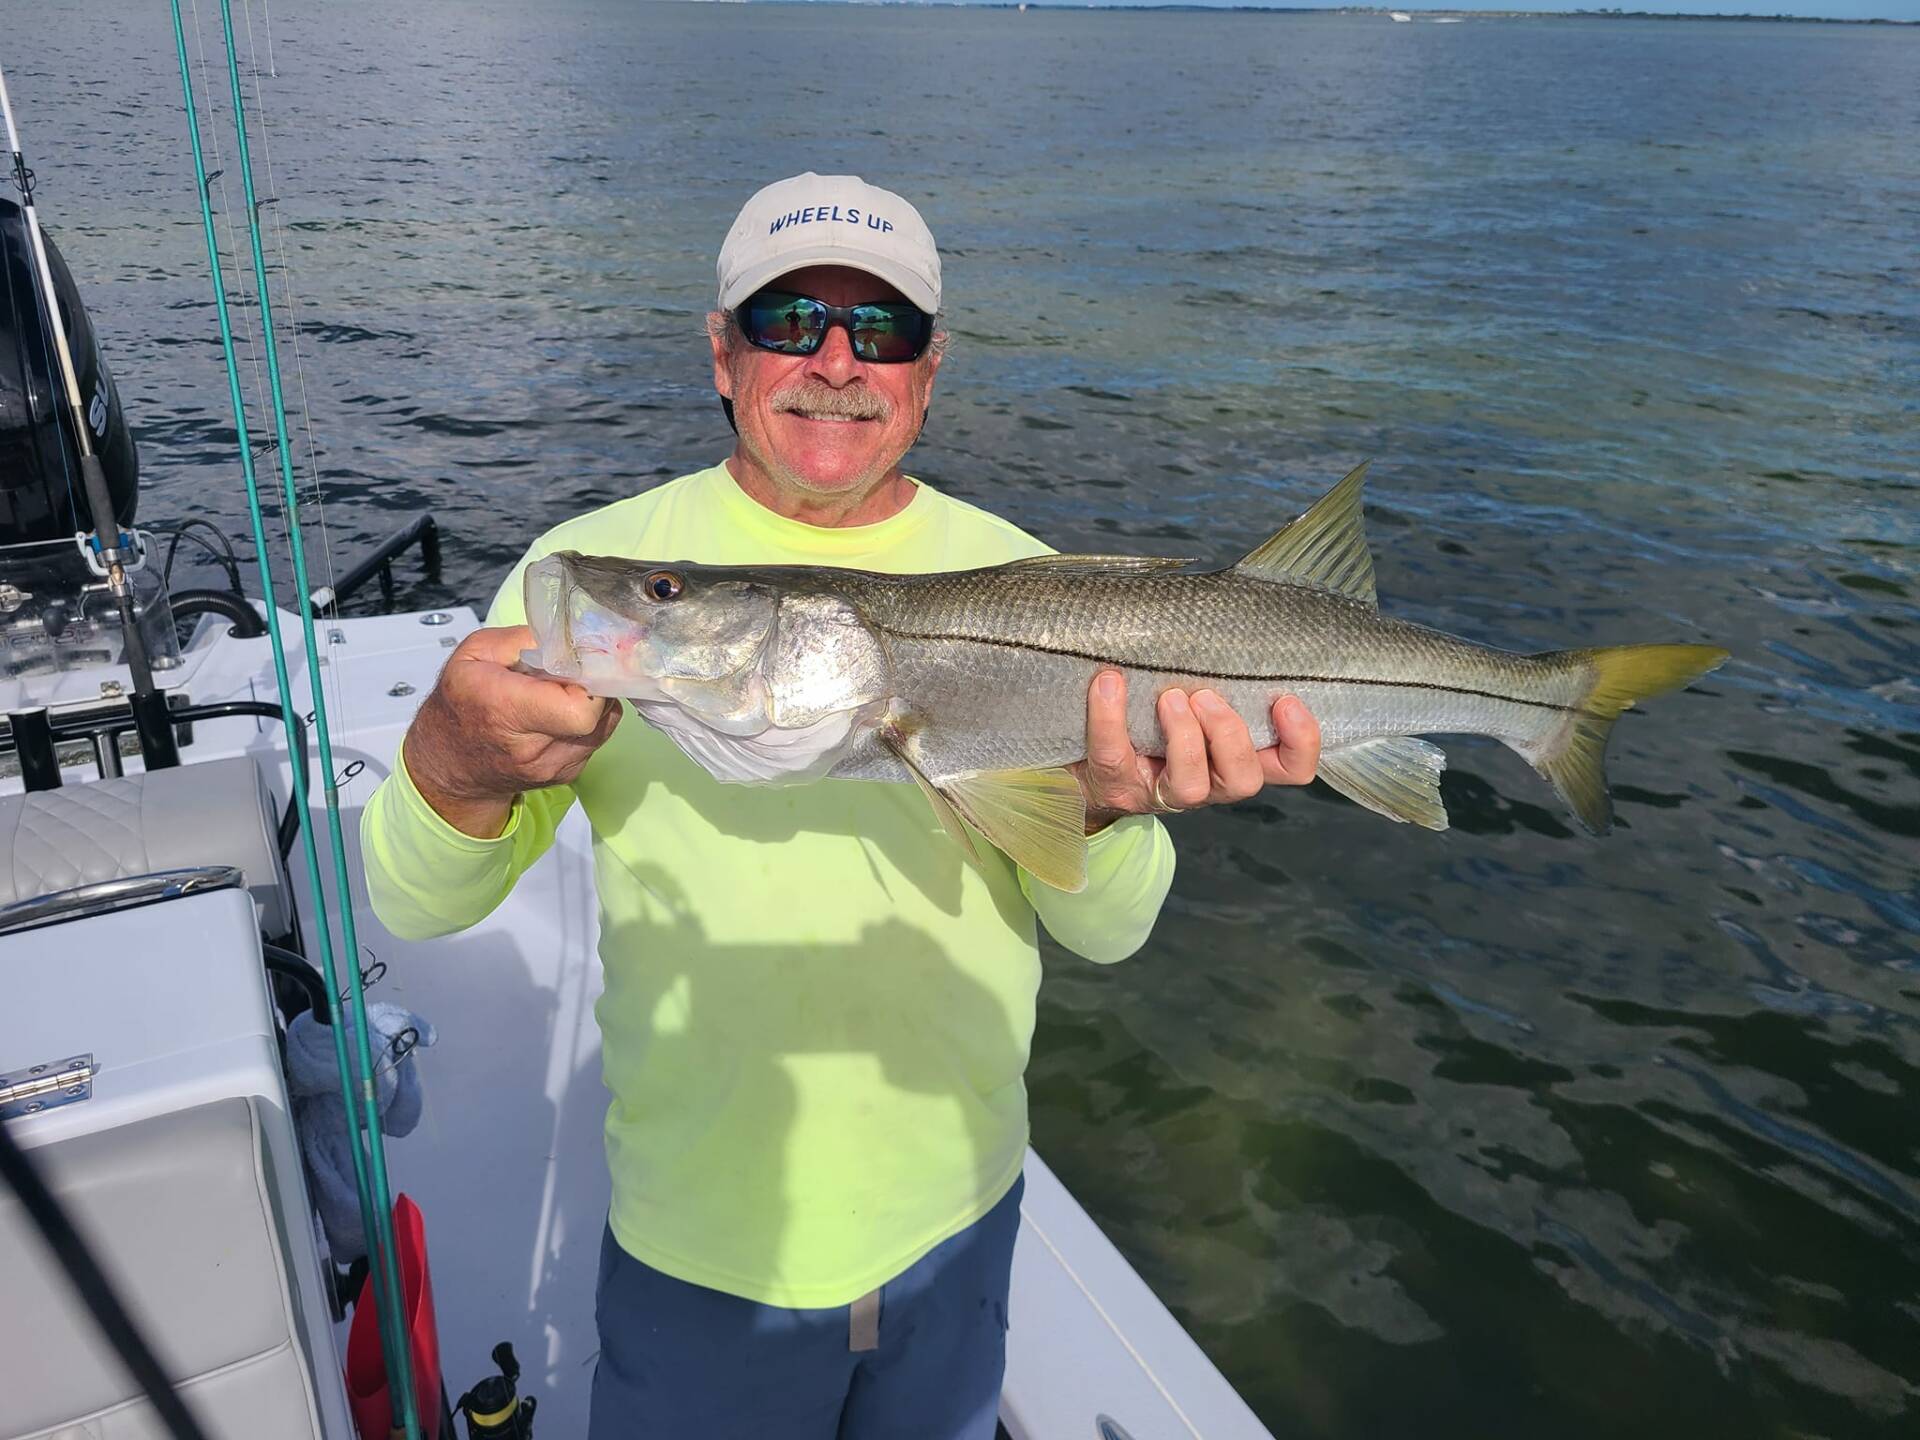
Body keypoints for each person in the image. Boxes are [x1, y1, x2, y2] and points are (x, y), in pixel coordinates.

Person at [360, 172, 1321, 1439]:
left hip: (961, 1223)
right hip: (702, 1246)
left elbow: (1111, 933)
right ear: (720, 349)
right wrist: (454, 757)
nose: (835, 363)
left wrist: (1103, 807)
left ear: (928, 372)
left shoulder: (1035, 583)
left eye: (882, 331)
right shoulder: (589, 583)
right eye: (788, 320)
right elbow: (413, 904)